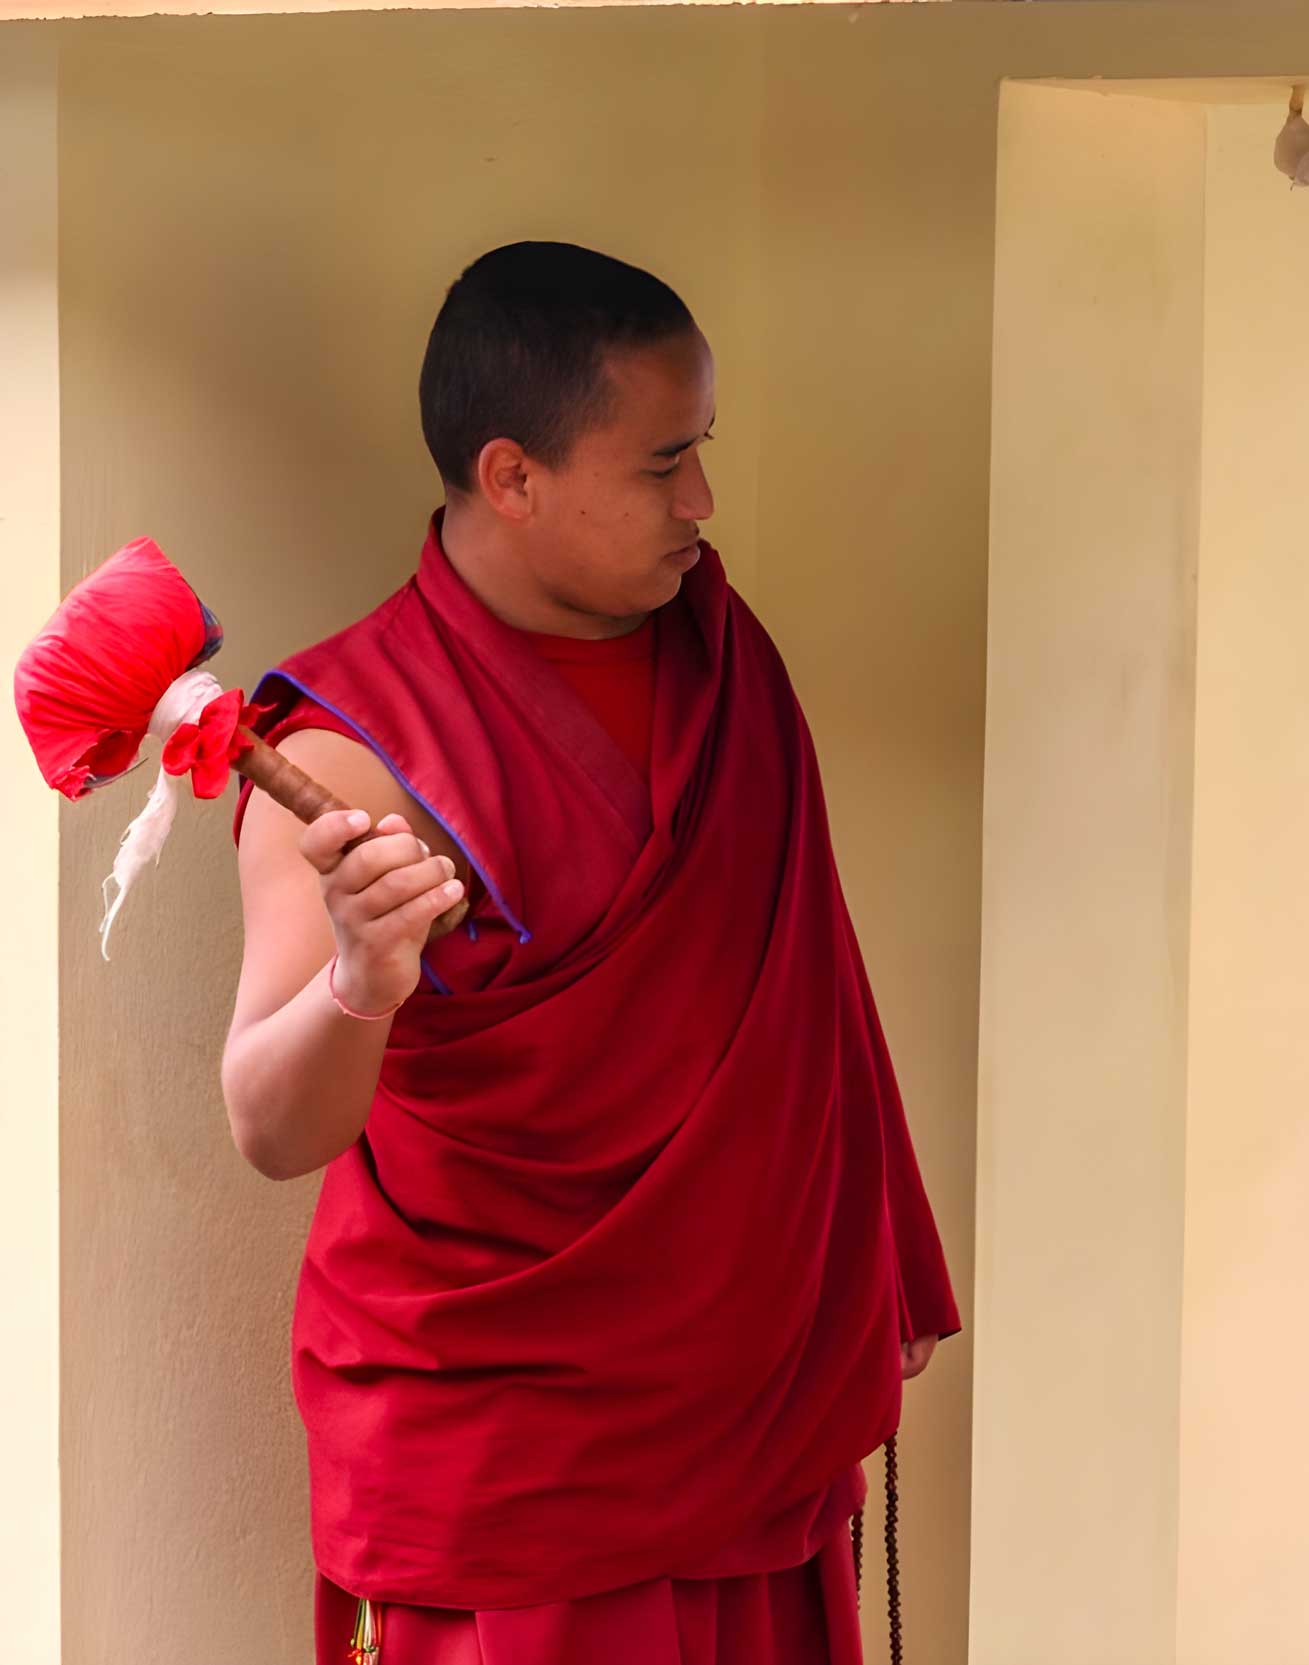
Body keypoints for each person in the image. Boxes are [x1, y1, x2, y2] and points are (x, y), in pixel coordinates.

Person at [219, 241, 958, 1664]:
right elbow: (267, 1120)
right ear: (512, 476)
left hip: (755, 1408)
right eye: (662, 464)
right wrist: (360, 979)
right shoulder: (347, 750)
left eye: (703, 451)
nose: (703, 502)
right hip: (508, 1453)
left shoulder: (724, 652)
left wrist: (887, 1250)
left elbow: (806, 977)